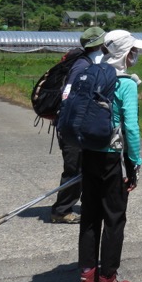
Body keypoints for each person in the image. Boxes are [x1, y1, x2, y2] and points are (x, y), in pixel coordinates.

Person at [77, 29, 142, 282]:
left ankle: (86, 280)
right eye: (134, 50)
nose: (136, 55)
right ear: (126, 53)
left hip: (88, 153)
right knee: (114, 218)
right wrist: (134, 163)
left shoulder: (91, 75)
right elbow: (131, 127)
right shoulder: (126, 83)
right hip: (111, 157)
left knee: (90, 216)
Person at [51, 26, 106, 224]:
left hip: (77, 126)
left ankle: (83, 205)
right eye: (103, 45)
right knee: (73, 169)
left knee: (83, 168)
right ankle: (61, 211)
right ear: (98, 46)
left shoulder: (87, 63)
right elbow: (67, 95)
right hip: (71, 127)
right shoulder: (82, 66)